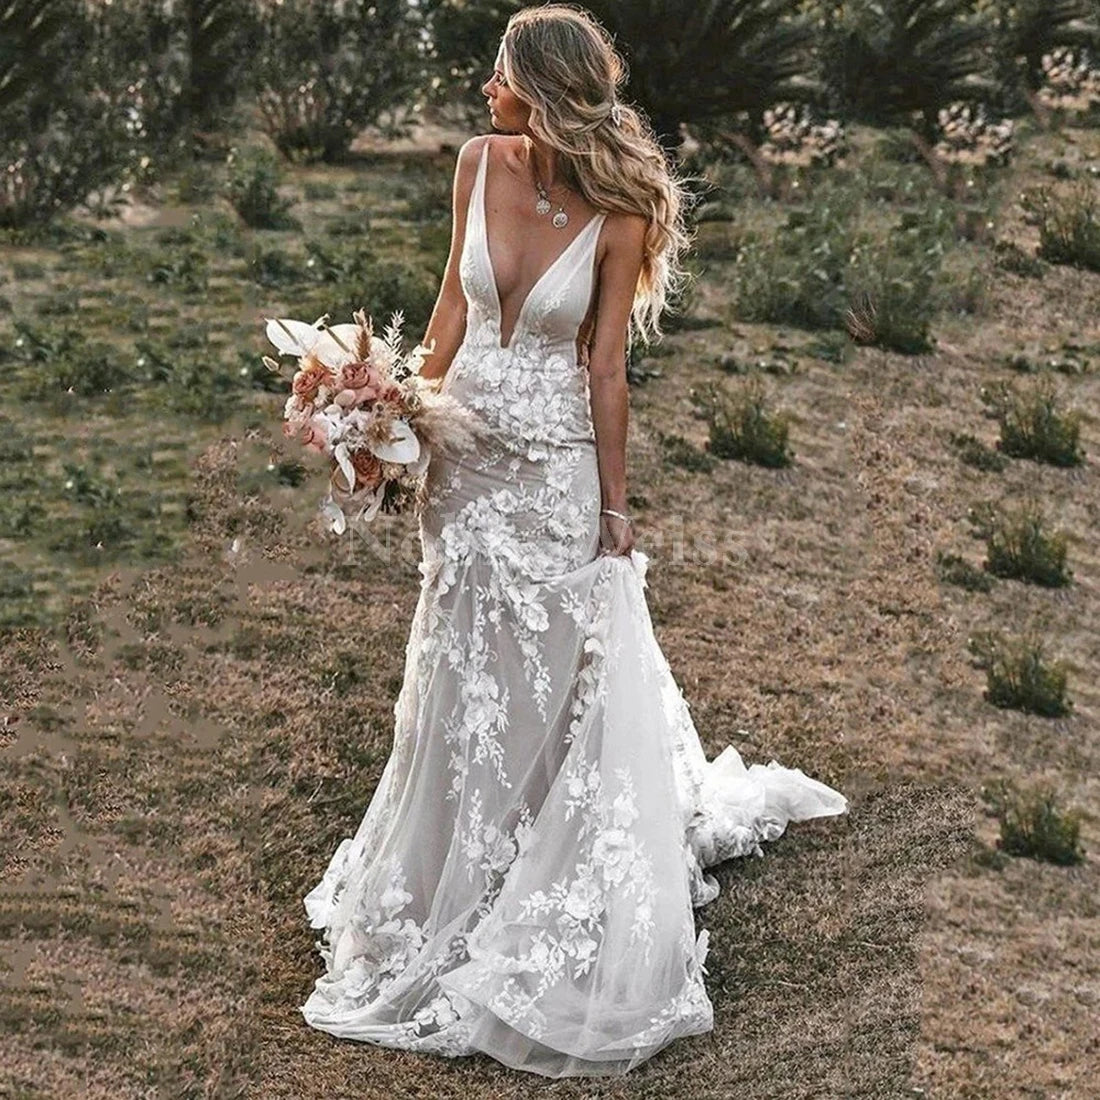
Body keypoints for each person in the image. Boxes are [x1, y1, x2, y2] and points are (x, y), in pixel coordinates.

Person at [299, 3, 849, 1078]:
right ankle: (452, 859)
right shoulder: (475, 163)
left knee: (560, 665)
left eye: (498, 72)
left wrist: (612, 507)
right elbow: (446, 317)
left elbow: (604, 367)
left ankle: (550, 856)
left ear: (540, 86)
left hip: (550, 471)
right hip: (461, 466)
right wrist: (387, 413)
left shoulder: (620, 207)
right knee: (460, 663)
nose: (482, 86)